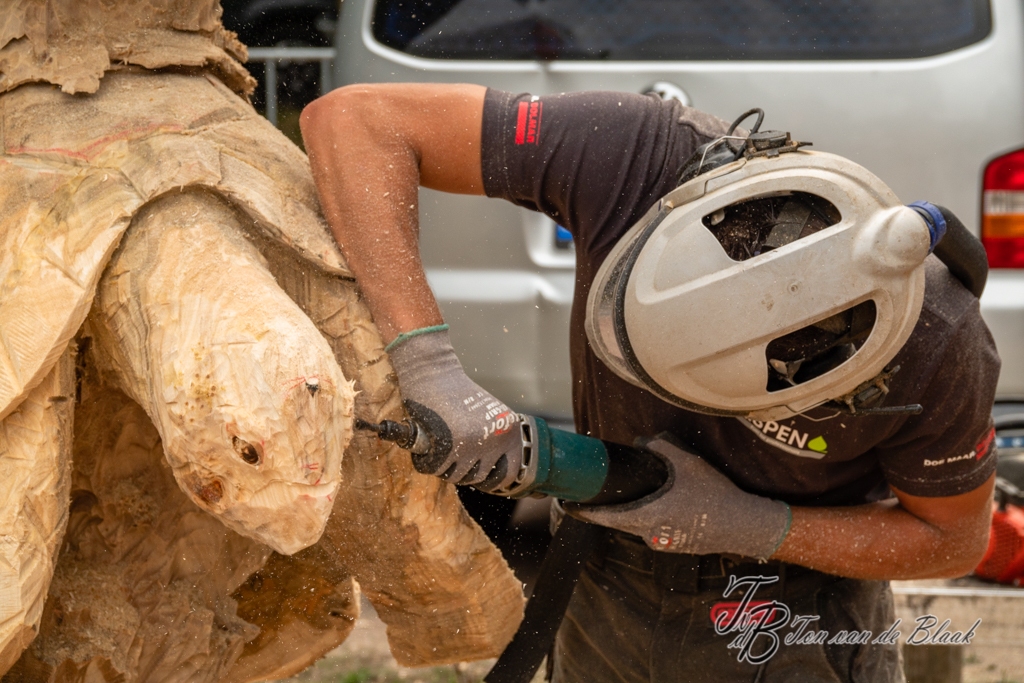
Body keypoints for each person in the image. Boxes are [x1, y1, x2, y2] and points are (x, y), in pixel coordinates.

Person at [300, 83, 999, 682]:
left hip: (794, 615)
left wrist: (754, 525)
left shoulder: (936, 342)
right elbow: (356, 121)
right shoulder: (637, 156)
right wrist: (428, 364)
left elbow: (953, 540)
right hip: (603, 582)